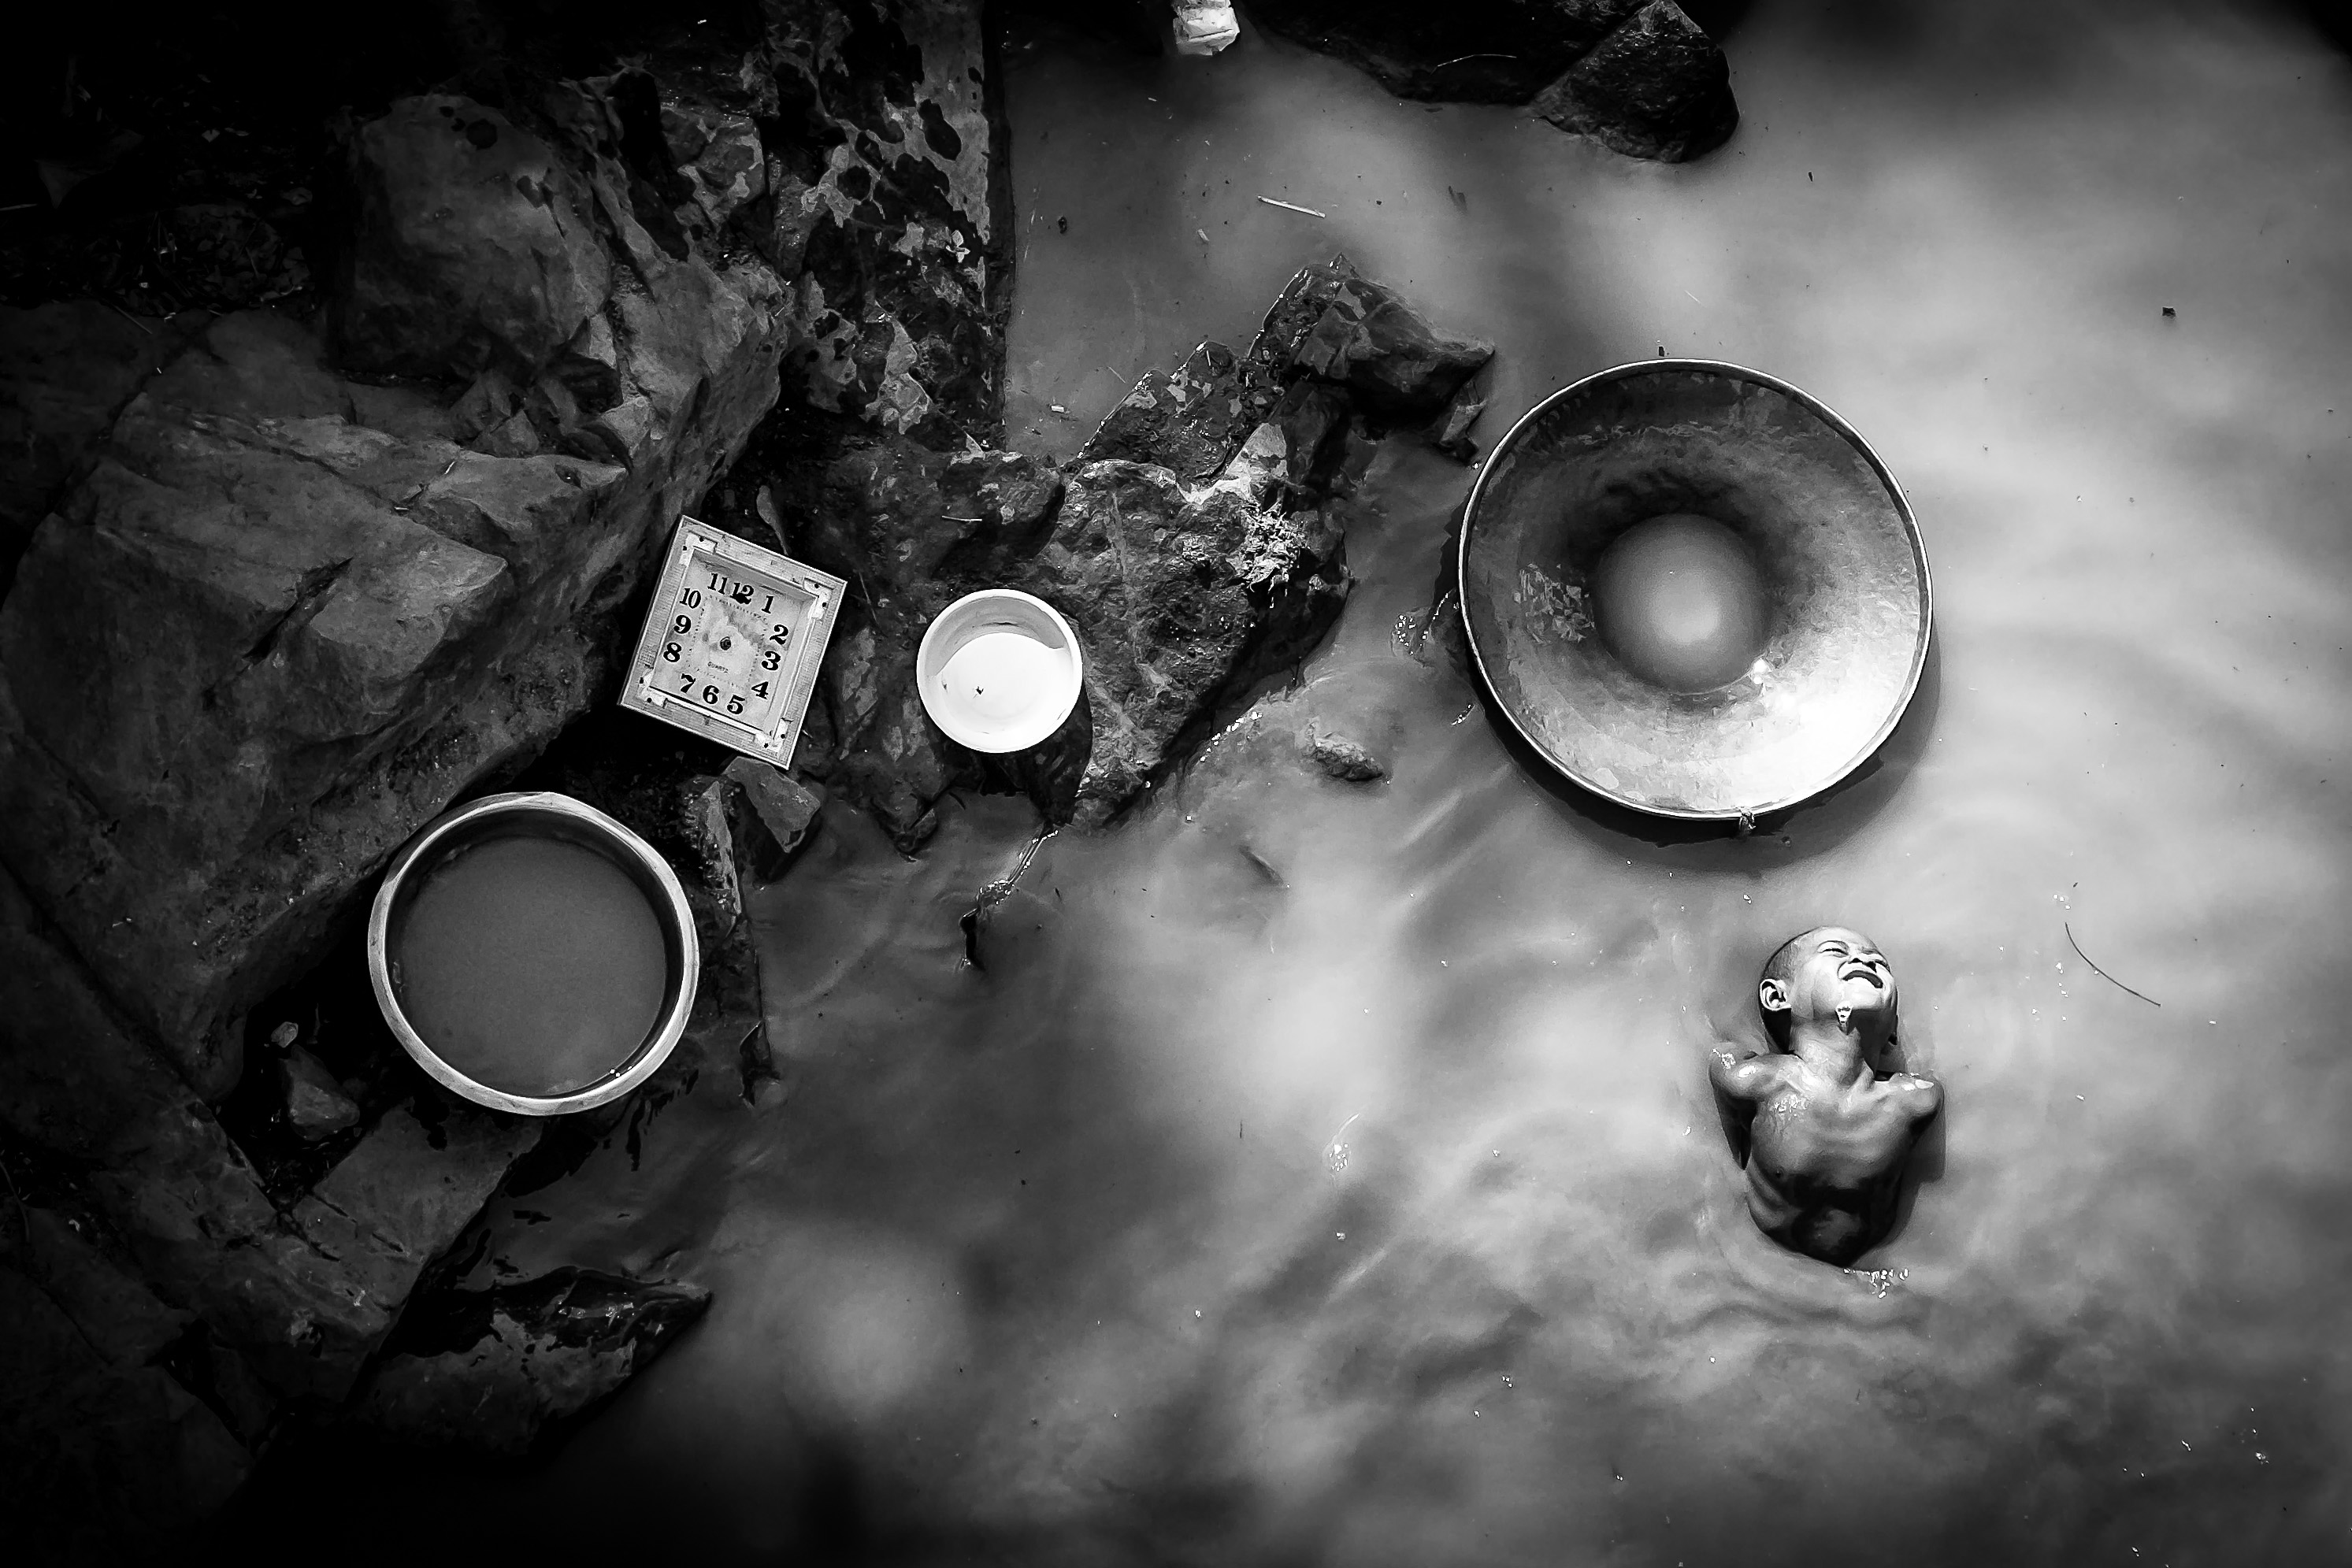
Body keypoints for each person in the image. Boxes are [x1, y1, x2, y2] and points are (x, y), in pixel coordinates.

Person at [1709, 926, 1942, 1266]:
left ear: (1892, 1027)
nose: (1864, 961)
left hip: (1861, 1268)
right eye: (1836, 951)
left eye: (1880, 964)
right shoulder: (1757, 1082)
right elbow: (1721, 1060)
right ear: (1776, 997)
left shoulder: (1915, 1103)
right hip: (1767, 1259)